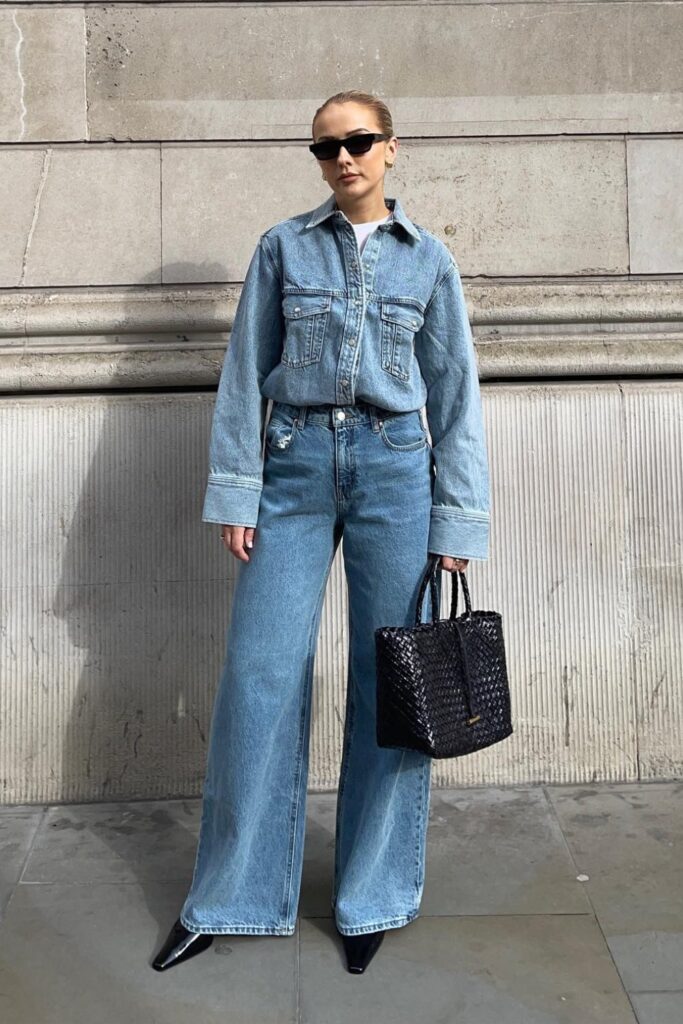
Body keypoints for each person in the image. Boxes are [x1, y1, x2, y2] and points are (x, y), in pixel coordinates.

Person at [152, 89, 490, 976]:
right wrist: (237, 492)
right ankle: (229, 896)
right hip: (294, 470)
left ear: (390, 150)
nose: (342, 159)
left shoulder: (430, 262)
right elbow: (241, 375)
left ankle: (369, 896)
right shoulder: (282, 247)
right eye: (325, 148)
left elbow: (455, 402)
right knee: (260, 677)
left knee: (392, 682)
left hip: (396, 474)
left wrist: (455, 521)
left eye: (358, 143)